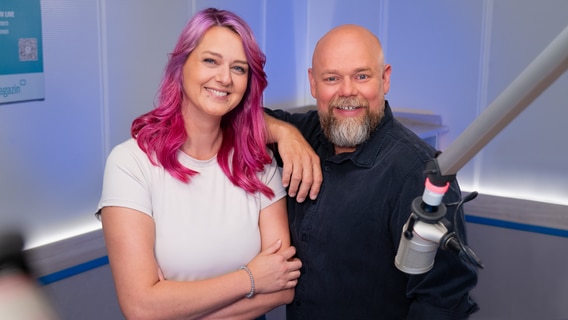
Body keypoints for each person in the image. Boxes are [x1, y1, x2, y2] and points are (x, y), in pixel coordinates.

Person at [96, 8, 302, 320]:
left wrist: (172, 306)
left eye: (239, 68)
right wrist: (251, 278)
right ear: (181, 67)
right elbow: (140, 307)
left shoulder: (258, 161)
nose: (224, 78)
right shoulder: (130, 164)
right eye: (210, 61)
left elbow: (282, 287)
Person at [265, 24, 479, 319]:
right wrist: (284, 134)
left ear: (385, 78)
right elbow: (236, 117)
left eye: (362, 76)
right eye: (332, 78)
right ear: (313, 83)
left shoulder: (417, 174)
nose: (347, 91)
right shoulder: (306, 132)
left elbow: (442, 302)